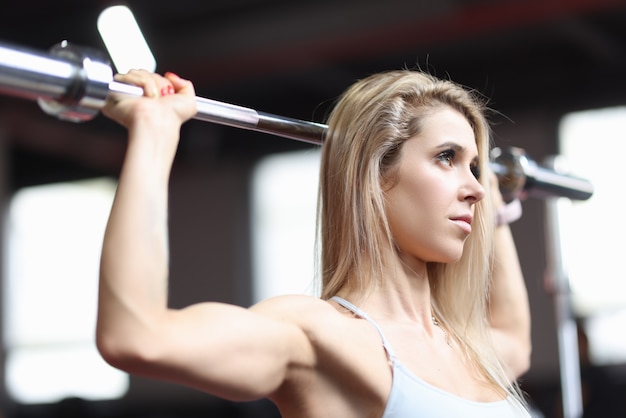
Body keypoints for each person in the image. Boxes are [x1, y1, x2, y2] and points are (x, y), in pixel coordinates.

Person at [97, 68, 532, 417]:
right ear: (375, 175)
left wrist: (495, 209)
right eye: (446, 158)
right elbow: (138, 336)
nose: (474, 188)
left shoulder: (467, 348)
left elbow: (515, 338)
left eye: (474, 168)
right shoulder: (318, 336)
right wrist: (155, 133)